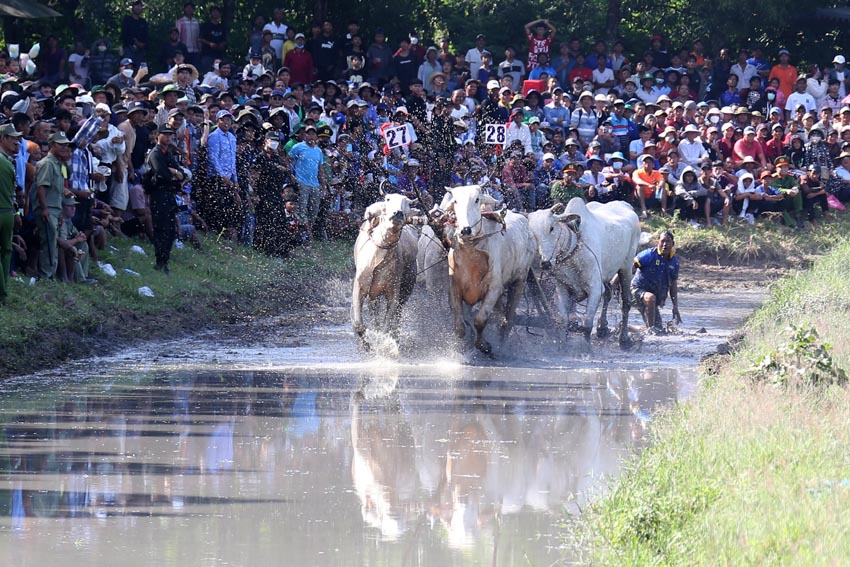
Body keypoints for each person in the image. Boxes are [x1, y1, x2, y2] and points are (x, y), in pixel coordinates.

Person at [143, 124, 185, 274]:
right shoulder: (156, 153)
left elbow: (182, 174)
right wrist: (174, 173)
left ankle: (164, 260)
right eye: (165, 134)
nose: (168, 137)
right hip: (159, 194)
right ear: (158, 135)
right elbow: (162, 174)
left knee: (170, 230)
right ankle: (160, 260)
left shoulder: (167, 154)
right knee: (161, 229)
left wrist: (175, 172)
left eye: (170, 134)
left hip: (169, 194)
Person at [34, 132, 75, 280]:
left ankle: (50, 275)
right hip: (47, 209)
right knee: (49, 244)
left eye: (66, 145)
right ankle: (46, 276)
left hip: (55, 209)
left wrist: (59, 213)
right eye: (61, 144)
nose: (65, 147)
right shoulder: (47, 163)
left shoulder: (58, 164)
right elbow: (41, 188)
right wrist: (45, 209)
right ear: (52, 145)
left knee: (52, 243)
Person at [632, 230, 681, 334]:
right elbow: (628, 269)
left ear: (673, 244)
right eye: (662, 241)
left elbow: (673, 285)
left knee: (660, 331)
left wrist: (675, 307)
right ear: (658, 242)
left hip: (653, 301)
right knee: (651, 299)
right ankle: (650, 330)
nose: (664, 244)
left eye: (668, 241)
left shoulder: (674, 263)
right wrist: (614, 284)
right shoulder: (648, 255)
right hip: (636, 291)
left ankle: (626, 328)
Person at [288, 125, 325, 240]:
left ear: (316, 136)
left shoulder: (318, 151)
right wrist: (291, 175)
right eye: (308, 133)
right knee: (301, 209)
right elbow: (287, 159)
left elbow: (320, 169)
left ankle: (306, 234)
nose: (311, 136)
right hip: (301, 182)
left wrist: (323, 184)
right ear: (305, 135)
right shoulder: (298, 147)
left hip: (315, 184)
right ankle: (302, 235)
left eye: (313, 133)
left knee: (314, 210)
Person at [0, 124, 21, 302]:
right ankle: (4, 290)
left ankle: (3, 292)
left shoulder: (8, 160)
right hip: (7, 212)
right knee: (5, 251)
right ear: (3, 139)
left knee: (5, 251)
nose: (17, 141)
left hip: (5, 210)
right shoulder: (8, 162)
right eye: (12, 138)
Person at [56, 196, 92, 283]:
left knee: (84, 245)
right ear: (62, 208)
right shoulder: (62, 221)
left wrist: (80, 236)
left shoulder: (69, 220)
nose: (73, 209)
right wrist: (76, 240)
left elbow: (76, 233)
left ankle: (84, 274)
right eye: (69, 206)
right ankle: (79, 278)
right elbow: (63, 242)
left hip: (67, 245)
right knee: (74, 250)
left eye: (74, 206)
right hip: (60, 249)